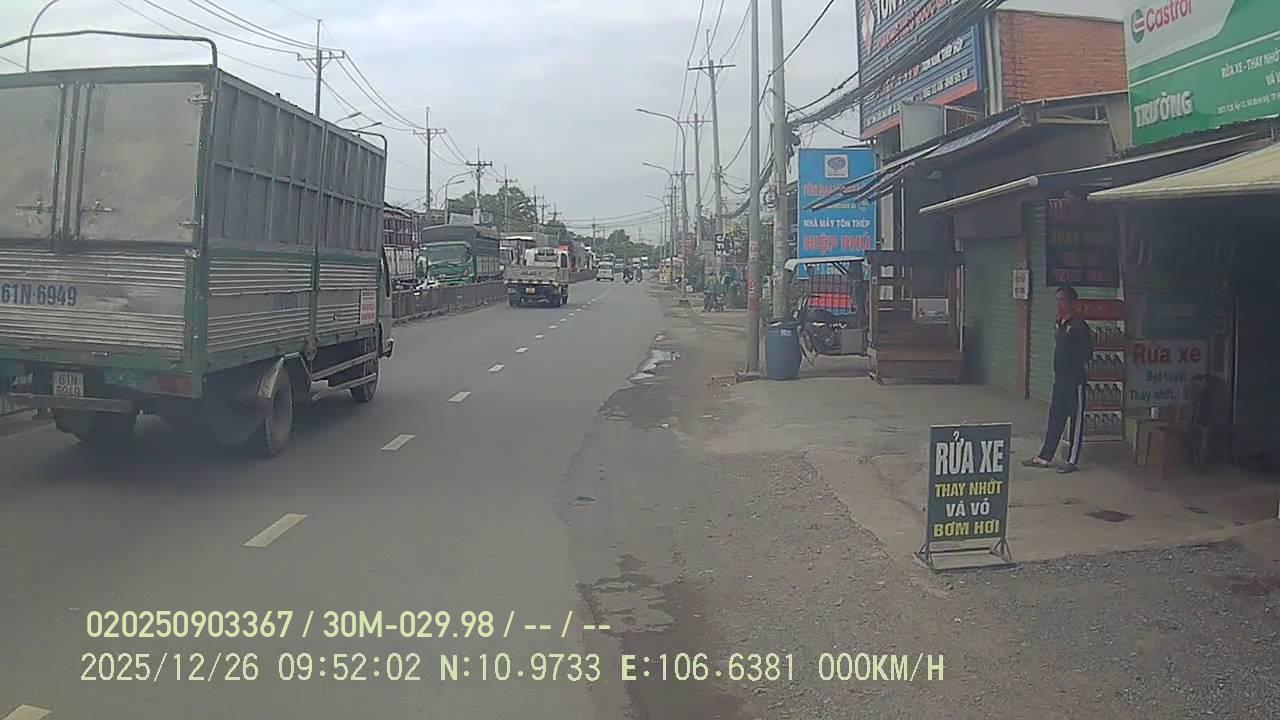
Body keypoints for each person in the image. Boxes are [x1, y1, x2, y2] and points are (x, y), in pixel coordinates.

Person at [1024, 285, 1092, 474]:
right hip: (1060, 380)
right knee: (1055, 418)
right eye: (1057, 300)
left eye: (1062, 300)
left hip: (1075, 381)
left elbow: (1087, 352)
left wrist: (1073, 364)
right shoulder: (1059, 324)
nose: (1059, 304)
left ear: (1072, 303)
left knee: (1075, 421)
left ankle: (1072, 460)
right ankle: (1045, 456)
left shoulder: (1078, 325)